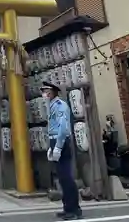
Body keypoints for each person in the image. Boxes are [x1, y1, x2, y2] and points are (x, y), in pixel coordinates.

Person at [43, 81, 82, 220]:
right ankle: (68, 208)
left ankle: (74, 209)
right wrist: (50, 147)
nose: (44, 94)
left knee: (66, 178)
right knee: (62, 178)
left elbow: (63, 129)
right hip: (55, 142)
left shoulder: (60, 106)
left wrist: (58, 147)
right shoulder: (52, 106)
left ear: (53, 92)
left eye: (46, 91)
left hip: (62, 143)